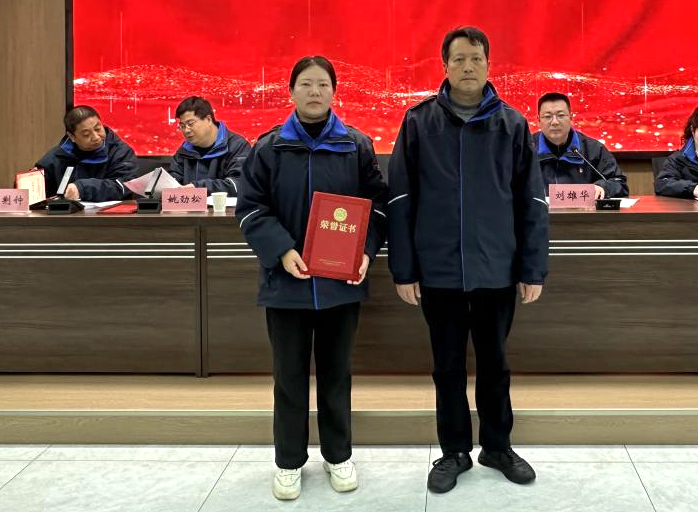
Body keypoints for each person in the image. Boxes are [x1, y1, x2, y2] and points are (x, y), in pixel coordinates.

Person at [387, 26, 549, 494]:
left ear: (489, 64)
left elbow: (532, 203)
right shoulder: (419, 122)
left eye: (476, 58)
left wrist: (532, 268)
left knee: (495, 364)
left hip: (497, 268)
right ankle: (454, 451)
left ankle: (497, 446)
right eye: (458, 59)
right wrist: (404, 269)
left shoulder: (512, 125)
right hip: (438, 270)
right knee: (448, 366)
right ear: (444, 66)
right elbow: (400, 200)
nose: (468, 66)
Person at [235, 56, 387, 501]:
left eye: (322, 84)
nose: (315, 91)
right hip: (286, 285)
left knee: (338, 375)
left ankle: (338, 455)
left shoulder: (355, 145)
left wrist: (365, 251)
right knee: (289, 378)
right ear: (291, 91)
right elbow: (251, 208)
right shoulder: (269, 148)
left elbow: (377, 206)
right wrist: (282, 250)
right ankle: (288, 462)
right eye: (306, 84)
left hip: (341, 286)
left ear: (334, 92)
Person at [533, 91, 628, 199]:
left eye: (561, 115)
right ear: (538, 120)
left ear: (571, 117)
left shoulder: (593, 149)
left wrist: (603, 188)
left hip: (583, 210)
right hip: (538, 209)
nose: (555, 122)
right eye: (547, 116)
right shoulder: (527, 149)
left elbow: (619, 183)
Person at [34, 105, 138, 201]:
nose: (96, 137)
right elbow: (37, 186)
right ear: (72, 137)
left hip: (111, 214)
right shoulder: (58, 155)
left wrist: (83, 189)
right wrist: (31, 182)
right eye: (86, 134)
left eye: (98, 129)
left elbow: (126, 186)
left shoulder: (120, 152)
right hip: (68, 214)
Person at [167, 96, 251, 194]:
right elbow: (173, 180)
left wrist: (198, 188)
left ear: (208, 120)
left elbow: (239, 183)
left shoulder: (237, 146)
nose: (186, 130)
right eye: (182, 126)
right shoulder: (184, 150)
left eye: (190, 123)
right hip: (189, 204)